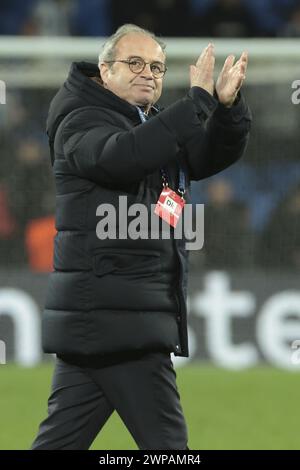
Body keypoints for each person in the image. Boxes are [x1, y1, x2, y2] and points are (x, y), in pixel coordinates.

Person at [31, 24, 251, 450]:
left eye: (156, 66)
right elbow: (121, 157)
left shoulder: (142, 121)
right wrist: (196, 102)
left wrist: (224, 109)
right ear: (104, 69)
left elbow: (203, 155)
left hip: (104, 319)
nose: (147, 73)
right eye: (134, 63)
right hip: (121, 319)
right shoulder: (80, 116)